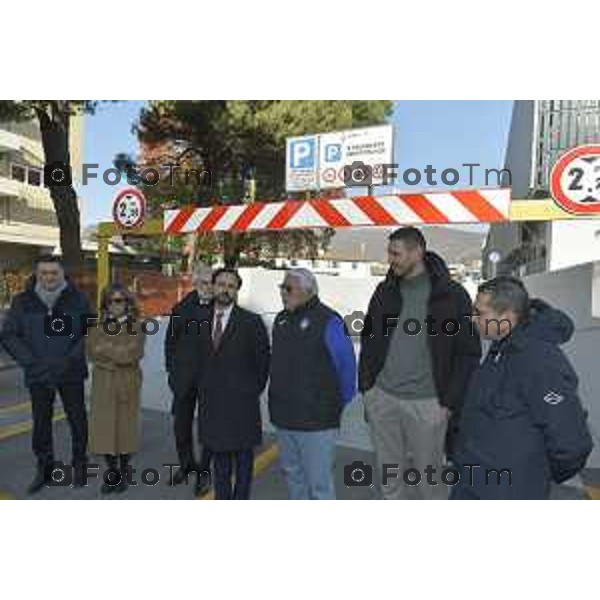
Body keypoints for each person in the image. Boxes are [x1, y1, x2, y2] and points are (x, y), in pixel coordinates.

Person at [358, 227, 481, 499]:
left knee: (430, 484)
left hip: (429, 405)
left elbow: (468, 353)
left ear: (417, 252)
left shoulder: (451, 295)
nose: (390, 259)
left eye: (396, 253)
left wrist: (448, 404)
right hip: (383, 399)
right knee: (390, 480)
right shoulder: (384, 291)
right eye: (389, 252)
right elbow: (369, 340)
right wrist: (367, 388)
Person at [450, 276, 593, 500]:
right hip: (473, 483)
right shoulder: (501, 348)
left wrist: (533, 474)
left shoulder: (539, 360)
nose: (472, 318)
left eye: (480, 313)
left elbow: (571, 441)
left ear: (507, 318)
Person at [0, 255, 92, 494]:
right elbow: (10, 335)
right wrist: (32, 364)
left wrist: (68, 360)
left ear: (62, 274)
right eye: (44, 273)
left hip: (70, 372)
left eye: (54, 273)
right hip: (38, 374)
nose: (49, 277)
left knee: (77, 420)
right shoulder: (23, 302)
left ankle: (80, 464)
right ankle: (45, 468)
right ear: (37, 274)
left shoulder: (78, 299)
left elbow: (89, 331)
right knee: (41, 424)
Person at [269, 268, 357, 500]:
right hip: (284, 417)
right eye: (281, 288)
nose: (282, 293)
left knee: (319, 484)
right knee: (293, 476)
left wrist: (334, 405)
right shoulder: (281, 319)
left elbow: (347, 368)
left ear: (307, 291)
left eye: (288, 289)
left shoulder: (329, 321)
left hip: (317, 422)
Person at [198, 268, 270, 500]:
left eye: (231, 286)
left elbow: (262, 364)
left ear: (237, 290)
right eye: (221, 284)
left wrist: (248, 391)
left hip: (242, 406)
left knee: (243, 463)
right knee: (220, 463)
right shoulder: (200, 320)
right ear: (213, 287)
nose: (225, 290)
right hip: (212, 404)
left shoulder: (251, 322)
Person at [87, 285, 146, 495]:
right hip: (103, 384)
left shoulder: (136, 326)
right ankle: (111, 472)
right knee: (104, 430)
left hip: (127, 383)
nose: (116, 304)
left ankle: (123, 470)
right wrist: (115, 355)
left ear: (128, 303)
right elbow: (92, 353)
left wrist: (106, 350)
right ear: (106, 303)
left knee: (124, 430)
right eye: (111, 300)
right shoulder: (96, 325)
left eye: (120, 300)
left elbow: (132, 354)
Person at [164, 263, 214, 496]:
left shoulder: (223, 308)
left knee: (208, 429)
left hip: (211, 380)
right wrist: (172, 372)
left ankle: (204, 473)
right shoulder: (181, 308)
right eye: (203, 282)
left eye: (211, 283)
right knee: (180, 427)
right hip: (183, 380)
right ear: (195, 283)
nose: (208, 287)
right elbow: (170, 343)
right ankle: (186, 465)